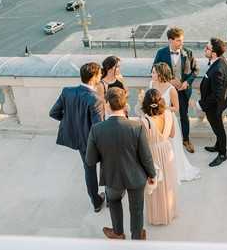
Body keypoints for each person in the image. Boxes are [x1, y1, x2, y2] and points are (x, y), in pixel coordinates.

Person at [85, 88, 156, 240]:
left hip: (112, 177)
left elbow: (90, 160)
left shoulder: (96, 129)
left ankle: (118, 233)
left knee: (114, 201)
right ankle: (136, 237)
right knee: (137, 209)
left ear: (108, 105)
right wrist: (152, 174)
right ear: (125, 105)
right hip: (136, 177)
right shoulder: (137, 127)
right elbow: (146, 157)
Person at [49, 62, 106, 212]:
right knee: (106, 167)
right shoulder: (96, 100)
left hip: (79, 141)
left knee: (89, 170)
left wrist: (71, 122)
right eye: (100, 73)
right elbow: (99, 128)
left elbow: (53, 113)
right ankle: (109, 197)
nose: (101, 75)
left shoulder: (67, 92)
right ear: (93, 77)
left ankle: (96, 202)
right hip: (93, 143)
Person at [150, 63, 200, 182]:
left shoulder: (171, 89)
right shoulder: (151, 84)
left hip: (168, 121)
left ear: (160, 74)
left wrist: (162, 107)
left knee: (171, 146)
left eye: (153, 72)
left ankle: (173, 169)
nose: (151, 74)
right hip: (155, 121)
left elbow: (176, 108)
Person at [153, 27, 199, 153]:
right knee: (163, 114)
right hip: (166, 91)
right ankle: (163, 138)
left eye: (182, 40)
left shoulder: (188, 52)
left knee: (184, 115)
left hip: (183, 91)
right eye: (178, 41)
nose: (181, 43)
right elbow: (154, 70)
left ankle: (186, 139)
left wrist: (187, 82)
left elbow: (196, 70)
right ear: (170, 40)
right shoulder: (161, 53)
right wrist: (169, 80)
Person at [141, 89, 177, 226]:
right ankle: (170, 212)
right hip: (167, 150)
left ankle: (157, 217)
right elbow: (172, 134)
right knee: (168, 183)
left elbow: (142, 144)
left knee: (155, 185)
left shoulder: (145, 121)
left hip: (153, 153)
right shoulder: (169, 114)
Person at [199, 38, 227, 167]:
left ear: (214, 53)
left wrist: (201, 104)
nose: (205, 50)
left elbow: (217, 94)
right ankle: (218, 146)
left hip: (214, 107)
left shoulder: (217, 68)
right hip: (217, 105)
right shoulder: (220, 61)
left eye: (207, 48)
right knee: (217, 129)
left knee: (219, 130)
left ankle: (222, 153)